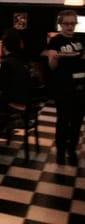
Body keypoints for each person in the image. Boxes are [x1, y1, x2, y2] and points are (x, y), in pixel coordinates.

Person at [45, 10, 85, 166]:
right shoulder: (55, 41)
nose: (70, 26)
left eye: (72, 23)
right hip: (64, 87)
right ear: (60, 24)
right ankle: (61, 151)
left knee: (77, 121)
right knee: (63, 120)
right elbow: (52, 66)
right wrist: (57, 57)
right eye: (66, 23)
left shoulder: (81, 40)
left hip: (81, 87)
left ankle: (72, 149)